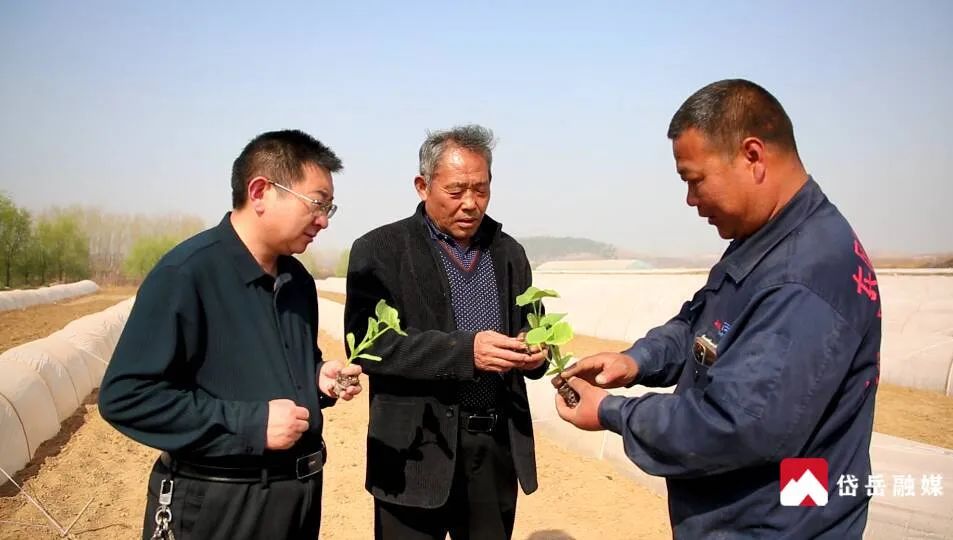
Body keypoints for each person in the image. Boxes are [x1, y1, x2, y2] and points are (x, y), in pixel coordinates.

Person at [555, 79, 881, 538]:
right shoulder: (766, 240)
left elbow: (736, 425)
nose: (692, 200)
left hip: (777, 525)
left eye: (695, 180)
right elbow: (705, 323)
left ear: (752, 156)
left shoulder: (805, 276)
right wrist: (636, 361)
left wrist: (611, 412)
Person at [99, 129, 362, 540]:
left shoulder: (297, 281)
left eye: (330, 207)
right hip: (220, 505)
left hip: (298, 500)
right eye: (316, 203)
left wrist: (317, 378)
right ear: (260, 192)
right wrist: (251, 424)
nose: (324, 220)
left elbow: (279, 365)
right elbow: (126, 397)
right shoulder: (186, 275)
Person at [344, 124, 549, 539]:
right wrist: (465, 353)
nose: (471, 204)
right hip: (415, 452)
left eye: (481, 190)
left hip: (492, 450)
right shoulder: (380, 250)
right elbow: (371, 347)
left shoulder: (509, 252)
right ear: (423, 186)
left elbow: (534, 325)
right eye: (456, 192)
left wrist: (536, 352)